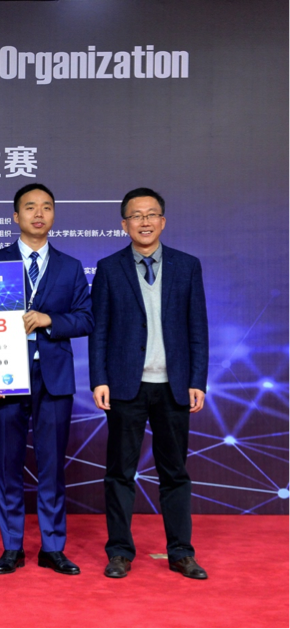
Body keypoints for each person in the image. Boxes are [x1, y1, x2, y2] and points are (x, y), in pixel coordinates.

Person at [89, 187, 209, 580]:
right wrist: (99, 379)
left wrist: (197, 379)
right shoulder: (109, 268)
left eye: (151, 214)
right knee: (120, 472)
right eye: (136, 216)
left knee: (174, 472)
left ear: (163, 221)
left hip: (174, 386)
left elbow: (197, 328)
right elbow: (99, 331)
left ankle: (181, 552)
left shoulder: (187, 266)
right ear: (124, 224)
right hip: (126, 386)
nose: (144, 222)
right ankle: (119, 552)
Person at [0, 183, 93, 575]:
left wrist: (49, 320)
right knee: (8, 464)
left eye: (46, 207)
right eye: (30, 207)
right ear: (16, 216)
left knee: (52, 466)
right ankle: (12, 546)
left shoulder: (70, 266)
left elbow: (87, 318)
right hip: (5, 375)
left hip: (54, 376)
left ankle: (52, 547)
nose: (39, 213)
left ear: (54, 215)